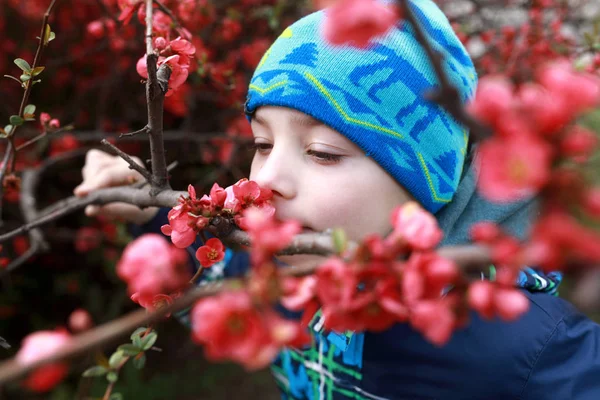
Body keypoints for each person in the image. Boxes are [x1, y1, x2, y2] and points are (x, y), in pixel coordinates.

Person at [75, 0, 600, 398]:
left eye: (323, 152)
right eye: (261, 143)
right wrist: (144, 210)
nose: (267, 178)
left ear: (426, 186)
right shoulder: (280, 275)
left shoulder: (522, 343)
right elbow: (201, 273)